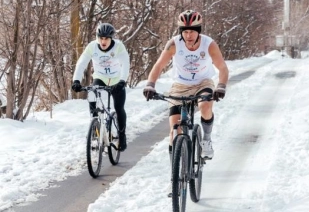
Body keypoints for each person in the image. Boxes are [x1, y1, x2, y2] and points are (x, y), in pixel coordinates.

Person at [143, 10, 229, 195]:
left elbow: (222, 67)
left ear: (198, 31)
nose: (188, 35)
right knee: (174, 130)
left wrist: (220, 86)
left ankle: (206, 139)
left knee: (205, 106)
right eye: (185, 31)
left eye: (192, 31)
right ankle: (174, 177)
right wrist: (150, 84)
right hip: (180, 86)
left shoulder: (209, 44)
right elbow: (158, 65)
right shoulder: (174, 44)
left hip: (203, 83)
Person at [71, 23, 130, 151]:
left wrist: (122, 81)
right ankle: (95, 127)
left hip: (116, 79)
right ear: (97, 38)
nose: (103, 41)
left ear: (111, 39)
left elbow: (125, 64)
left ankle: (122, 135)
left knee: (119, 107)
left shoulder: (119, 47)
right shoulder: (92, 47)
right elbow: (81, 63)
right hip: (100, 78)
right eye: (101, 38)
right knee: (92, 94)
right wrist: (76, 80)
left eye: (106, 39)